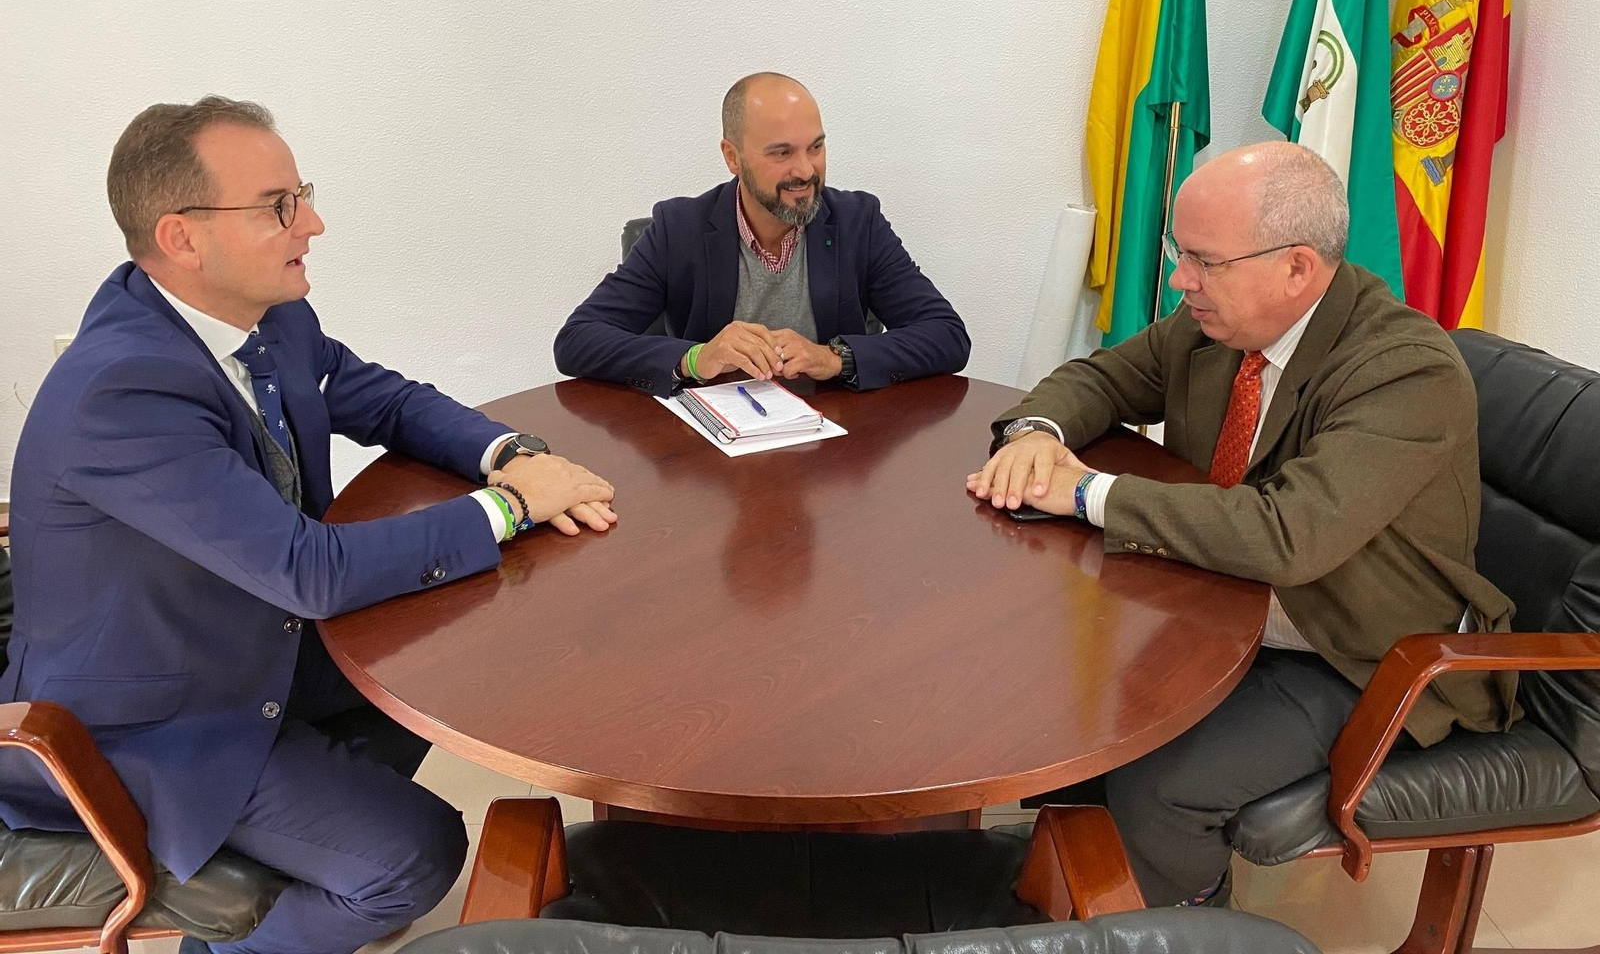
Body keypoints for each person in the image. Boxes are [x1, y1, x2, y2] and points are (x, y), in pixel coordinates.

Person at [0, 97, 617, 954]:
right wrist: (511, 508)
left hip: (253, 640)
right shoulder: (123, 391)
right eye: (279, 206)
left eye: (304, 195)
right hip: (150, 723)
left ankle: (304, 864)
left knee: (455, 655)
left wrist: (511, 454)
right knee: (414, 855)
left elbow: (385, 401)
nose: (313, 224)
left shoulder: (270, 317)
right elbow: (309, 571)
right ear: (182, 238)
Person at [967, 142, 1515, 907]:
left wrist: (1087, 493)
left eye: (1205, 261)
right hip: (1224, 601)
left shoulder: (1404, 369)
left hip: (1354, 647)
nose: (1180, 279)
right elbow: (1103, 376)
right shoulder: (1216, 326)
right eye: (1179, 253)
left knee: (1164, 784)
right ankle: (1071, 888)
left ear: (1297, 268)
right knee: (1056, 694)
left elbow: (1290, 534)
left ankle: (1180, 920)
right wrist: (1035, 434)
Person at [553, 72, 969, 395]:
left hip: (836, 445)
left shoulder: (858, 222)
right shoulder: (678, 229)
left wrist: (834, 358)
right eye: (781, 152)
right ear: (732, 158)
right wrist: (696, 358)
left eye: (816, 147)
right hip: (708, 451)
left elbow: (947, 335)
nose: (805, 170)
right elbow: (577, 341)